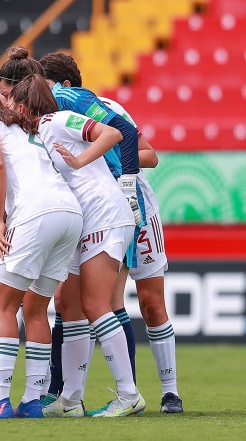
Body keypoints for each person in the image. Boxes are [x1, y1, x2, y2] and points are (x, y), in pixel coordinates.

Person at [12, 75, 146, 417]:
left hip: (104, 212)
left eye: (11, 101)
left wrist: (79, 161)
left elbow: (113, 133)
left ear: (25, 105)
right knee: (68, 307)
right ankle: (70, 400)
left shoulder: (54, 120)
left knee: (95, 305)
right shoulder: (35, 135)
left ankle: (129, 394)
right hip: (82, 219)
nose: (7, 107)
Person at [0, 93, 83, 420]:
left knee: (1, 305)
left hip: (35, 214)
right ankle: (32, 400)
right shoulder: (27, 130)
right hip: (69, 214)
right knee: (35, 307)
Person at [98, 95, 183, 415]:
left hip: (139, 211)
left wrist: (103, 152)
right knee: (106, 304)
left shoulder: (105, 109)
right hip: (101, 213)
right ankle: (128, 392)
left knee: (150, 303)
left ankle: (170, 392)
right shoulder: (50, 116)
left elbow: (150, 155)